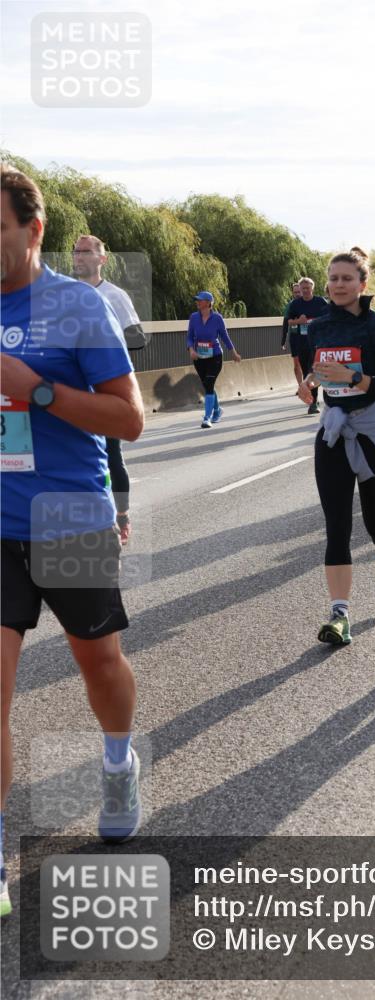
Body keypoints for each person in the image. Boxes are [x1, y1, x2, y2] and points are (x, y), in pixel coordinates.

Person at [1, 166, 145, 918]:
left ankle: (118, 761)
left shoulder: (76, 305)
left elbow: (130, 421)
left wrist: (38, 389)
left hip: (71, 516)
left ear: (34, 229)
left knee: (99, 661)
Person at [298, 249, 375, 647]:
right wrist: (309, 382)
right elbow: (321, 368)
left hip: (373, 429)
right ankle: (340, 614)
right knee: (337, 526)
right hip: (333, 430)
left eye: (347, 278)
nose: (339, 285)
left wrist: (353, 377)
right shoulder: (319, 326)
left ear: (363, 284)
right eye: (333, 278)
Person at [72, 234, 147, 545]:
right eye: (76, 252)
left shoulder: (114, 296)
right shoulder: (65, 294)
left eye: (87, 252)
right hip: (73, 389)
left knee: (111, 453)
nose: (79, 257)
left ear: (102, 259)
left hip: (106, 388)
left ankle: (121, 514)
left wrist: (98, 344)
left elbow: (138, 338)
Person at [187, 291, 241, 428]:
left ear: (208, 303)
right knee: (207, 385)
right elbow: (189, 337)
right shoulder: (193, 317)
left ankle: (207, 417)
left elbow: (225, 337)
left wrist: (233, 353)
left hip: (215, 356)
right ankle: (217, 410)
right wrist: (191, 349)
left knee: (209, 382)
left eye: (200, 300)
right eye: (197, 300)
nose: (197, 302)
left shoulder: (217, 318)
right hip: (199, 357)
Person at [286, 277, 329, 415]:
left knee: (315, 370)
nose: (305, 291)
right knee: (307, 372)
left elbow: (330, 318)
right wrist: (299, 321)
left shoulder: (320, 302)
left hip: (318, 343)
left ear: (312, 288)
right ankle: (313, 401)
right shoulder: (295, 304)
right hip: (302, 343)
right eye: (302, 288)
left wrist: (317, 322)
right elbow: (289, 322)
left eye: (307, 288)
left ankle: (317, 400)